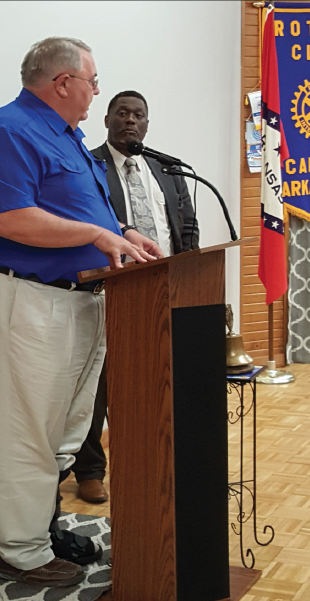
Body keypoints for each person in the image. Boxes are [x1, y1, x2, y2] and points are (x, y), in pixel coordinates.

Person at [0, 38, 162, 588]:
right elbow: (9, 219)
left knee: (64, 432)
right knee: (27, 430)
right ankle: (20, 551)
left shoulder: (68, 137)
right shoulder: (8, 130)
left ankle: (44, 530)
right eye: (93, 81)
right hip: (30, 300)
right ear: (61, 83)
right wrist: (99, 233)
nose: (96, 90)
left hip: (80, 300)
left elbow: (79, 211)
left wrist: (121, 232)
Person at [68, 90, 200, 504]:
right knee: (101, 384)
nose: (130, 120)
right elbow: (84, 220)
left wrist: (189, 275)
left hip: (165, 291)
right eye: (122, 113)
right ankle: (90, 469)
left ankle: (154, 455)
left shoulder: (165, 167)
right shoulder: (88, 164)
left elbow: (186, 226)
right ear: (106, 119)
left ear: (147, 123)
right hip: (110, 289)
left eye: (138, 115)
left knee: (157, 377)